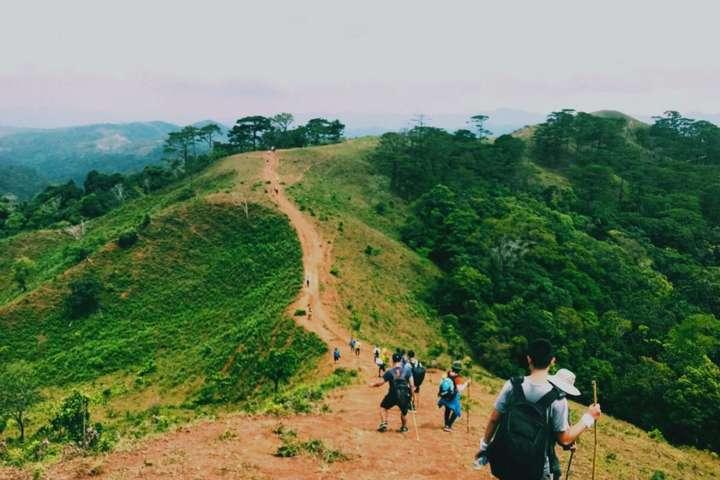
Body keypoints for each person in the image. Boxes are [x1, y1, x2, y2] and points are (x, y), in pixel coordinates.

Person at [474, 339, 602, 480]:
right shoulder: (558, 399)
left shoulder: (512, 384)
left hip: (506, 457)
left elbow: (494, 419)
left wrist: (485, 446)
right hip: (536, 469)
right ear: (552, 361)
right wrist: (589, 417)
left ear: (529, 358)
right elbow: (564, 439)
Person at [369, 353, 415, 433]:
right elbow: (412, 385)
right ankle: (404, 427)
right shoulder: (407, 371)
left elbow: (380, 383)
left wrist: (373, 385)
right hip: (404, 395)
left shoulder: (389, 372)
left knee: (383, 407)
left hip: (393, 394)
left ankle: (384, 423)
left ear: (392, 360)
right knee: (404, 413)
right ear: (401, 360)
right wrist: (412, 396)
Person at [437, 360, 470, 432]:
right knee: (457, 411)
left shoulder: (447, 373)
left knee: (447, 409)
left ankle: (446, 425)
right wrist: (466, 383)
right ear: (459, 370)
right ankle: (449, 426)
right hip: (453, 397)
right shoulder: (458, 378)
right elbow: (460, 389)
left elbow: (441, 382)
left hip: (445, 396)